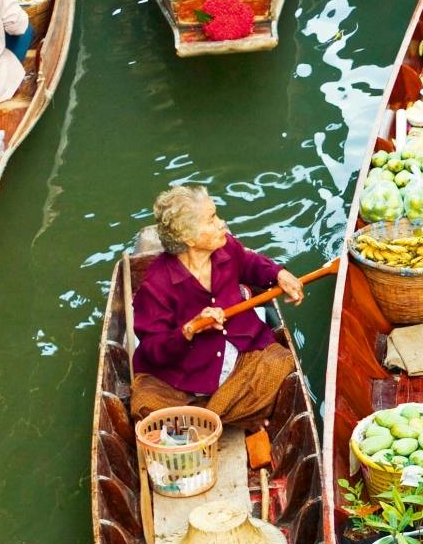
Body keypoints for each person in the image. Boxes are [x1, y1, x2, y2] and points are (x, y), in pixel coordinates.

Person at [129, 184, 305, 429]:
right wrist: (189, 330)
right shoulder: (157, 284)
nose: (222, 223)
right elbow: (152, 349)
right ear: (188, 238)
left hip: (239, 353)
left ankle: (198, 422)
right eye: (212, 219)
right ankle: (223, 417)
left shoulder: (227, 247)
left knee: (281, 365)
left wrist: (278, 274)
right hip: (184, 373)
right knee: (146, 405)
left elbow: (250, 263)